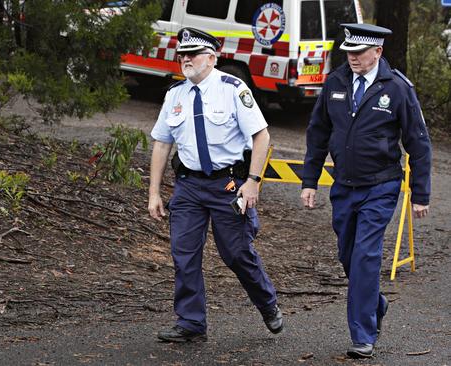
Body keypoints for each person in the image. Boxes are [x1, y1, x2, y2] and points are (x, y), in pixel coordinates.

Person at [301, 23, 431, 359]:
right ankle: (375, 302)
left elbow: (418, 142)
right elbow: (317, 134)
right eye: (349, 52)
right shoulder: (335, 83)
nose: (353, 58)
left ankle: (363, 334)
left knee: (365, 257)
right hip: (343, 186)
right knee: (347, 255)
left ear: (378, 51)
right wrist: (309, 181)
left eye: (360, 52)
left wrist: (420, 193)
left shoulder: (398, 88)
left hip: (381, 186)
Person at [148, 27, 283, 342]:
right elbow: (161, 144)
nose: (186, 60)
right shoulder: (175, 95)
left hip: (228, 185)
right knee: (184, 254)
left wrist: (253, 182)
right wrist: (154, 191)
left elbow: (261, 136)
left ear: (211, 57)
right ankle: (191, 323)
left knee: (236, 253)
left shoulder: (233, 89)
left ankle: (268, 302)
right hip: (189, 187)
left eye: (193, 54)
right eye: (182, 54)